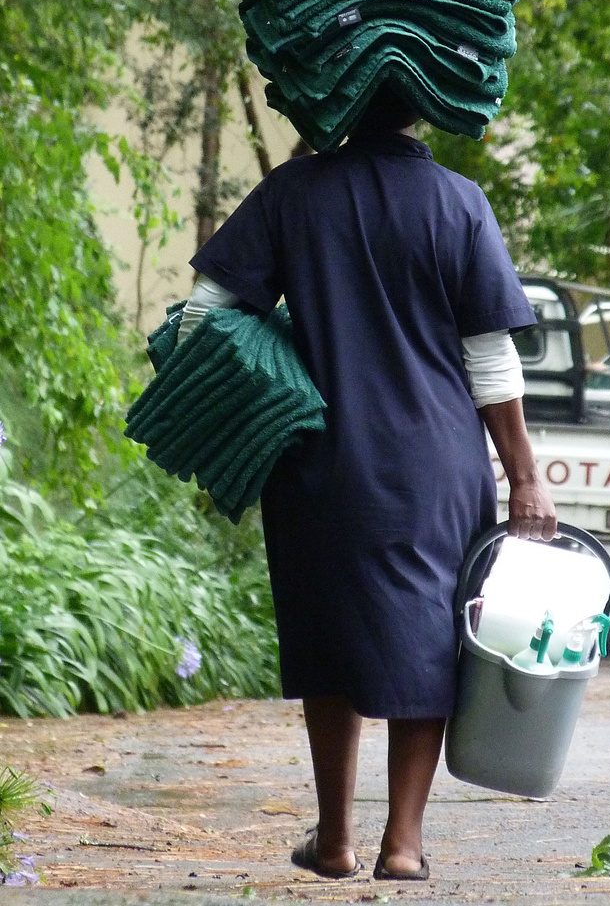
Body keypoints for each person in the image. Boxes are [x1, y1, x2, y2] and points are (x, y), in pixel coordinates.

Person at [180, 83, 557, 881]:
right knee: (429, 639)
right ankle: (404, 843)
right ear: (424, 108)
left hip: (323, 461)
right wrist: (526, 478)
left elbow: (204, 315)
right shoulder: (458, 203)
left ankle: (334, 838)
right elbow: (490, 358)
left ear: (340, 97)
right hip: (435, 465)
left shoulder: (294, 191)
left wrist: (251, 388)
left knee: (331, 640)